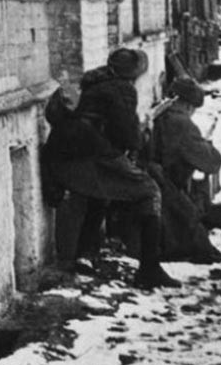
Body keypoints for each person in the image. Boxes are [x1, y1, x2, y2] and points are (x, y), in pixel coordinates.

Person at [40, 48, 179, 289]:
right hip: (89, 157)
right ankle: (149, 269)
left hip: (58, 155)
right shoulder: (122, 89)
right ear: (134, 73)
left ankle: (84, 254)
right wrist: (143, 128)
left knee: (103, 191)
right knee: (150, 190)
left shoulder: (90, 81)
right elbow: (129, 138)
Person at [149, 77, 221, 262]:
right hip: (165, 186)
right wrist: (207, 147)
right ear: (188, 105)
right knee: (190, 226)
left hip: (159, 179)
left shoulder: (163, 116)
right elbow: (211, 163)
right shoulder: (181, 124)